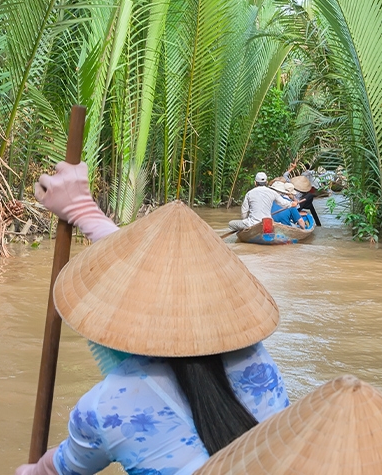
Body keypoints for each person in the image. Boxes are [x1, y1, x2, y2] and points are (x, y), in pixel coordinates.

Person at [17, 162, 290, 475]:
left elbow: (56, 470)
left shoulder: (105, 409)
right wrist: (82, 210)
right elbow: (164, 282)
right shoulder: (256, 358)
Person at [228, 172, 298, 231]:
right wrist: (292, 204)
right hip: (268, 223)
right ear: (266, 182)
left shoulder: (249, 193)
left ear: (255, 183)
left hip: (252, 224)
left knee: (231, 224)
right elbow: (283, 203)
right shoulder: (272, 192)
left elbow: (244, 211)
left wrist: (245, 222)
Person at [285, 163, 322, 227]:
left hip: (292, 204)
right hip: (296, 206)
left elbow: (285, 175)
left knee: (309, 198)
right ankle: (318, 223)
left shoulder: (291, 184)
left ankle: (318, 223)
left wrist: (292, 168)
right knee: (310, 198)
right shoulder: (310, 173)